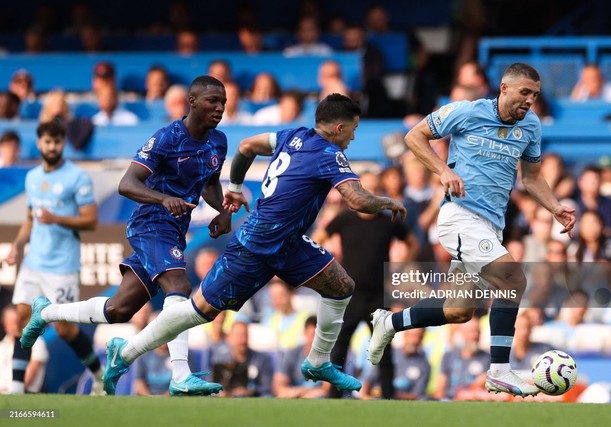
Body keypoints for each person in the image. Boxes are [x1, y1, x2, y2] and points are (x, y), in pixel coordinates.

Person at [98, 93, 407, 395]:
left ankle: (317, 361)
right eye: (353, 129)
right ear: (339, 128)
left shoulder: (293, 136)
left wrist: (234, 187)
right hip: (256, 243)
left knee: (341, 286)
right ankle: (124, 354)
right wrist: (386, 201)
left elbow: (247, 146)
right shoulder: (329, 154)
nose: (354, 136)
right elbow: (357, 200)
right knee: (198, 311)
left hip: (288, 241)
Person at [367, 62, 576, 397]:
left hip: (491, 228)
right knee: (513, 278)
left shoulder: (532, 126)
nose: (529, 101)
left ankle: (389, 322)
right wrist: (441, 170)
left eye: (535, 95)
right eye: (524, 93)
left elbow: (532, 177)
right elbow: (414, 135)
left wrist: (555, 208)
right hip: (459, 217)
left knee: (459, 310)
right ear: (504, 89)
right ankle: (499, 371)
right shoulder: (467, 112)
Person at [20, 75, 231, 396]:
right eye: (212, 101)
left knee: (118, 310)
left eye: (223, 102)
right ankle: (181, 374)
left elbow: (210, 183)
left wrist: (222, 210)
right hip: (149, 223)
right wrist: (163, 198)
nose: (219, 108)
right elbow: (127, 184)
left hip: (173, 229)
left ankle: (46, 312)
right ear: (192, 102)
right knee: (179, 285)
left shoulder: (219, 141)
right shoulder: (166, 138)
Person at [4, 120, 104, 395]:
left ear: (63, 143)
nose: (52, 147)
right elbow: (30, 219)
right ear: (39, 143)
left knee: (63, 329)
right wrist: (16, 245)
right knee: (22, 319)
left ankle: (99, 374)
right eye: (47, 142)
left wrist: (56, 218)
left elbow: (91, 220)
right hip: (34, 261)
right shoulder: (32, 177)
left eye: (57, 142)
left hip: (62, 266)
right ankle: (15, 388)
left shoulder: (77, 177)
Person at [315, 170, 419, 398]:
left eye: (374, 188)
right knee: (340, 347)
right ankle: (333, 395)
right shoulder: (344, 219)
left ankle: (389, 396)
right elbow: (319, 238)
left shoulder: (387, 221)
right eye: (366, 188)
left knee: (384, 348)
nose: (370, 192)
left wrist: (397, 269)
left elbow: (413, 243)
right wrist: (328, 267)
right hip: (349, 295)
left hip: (377, 296)